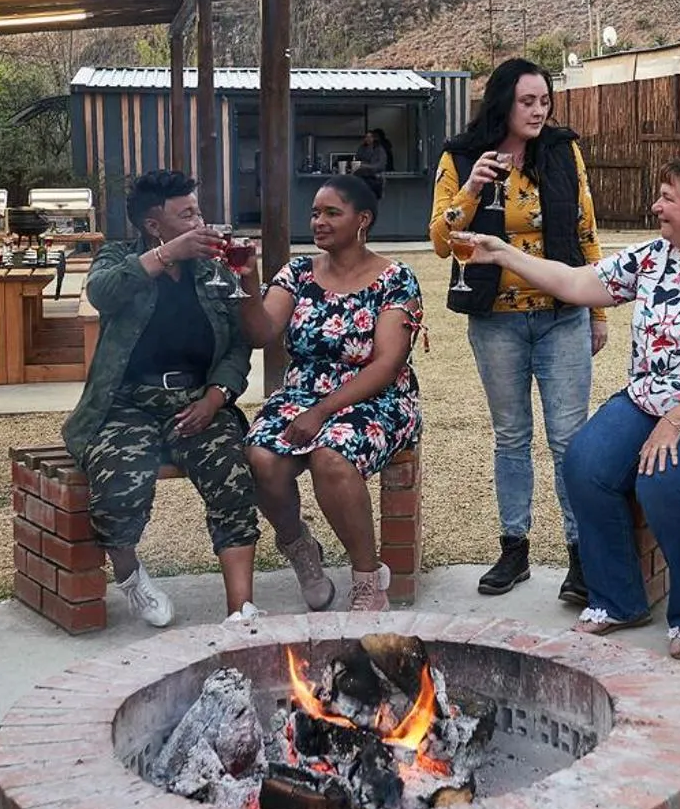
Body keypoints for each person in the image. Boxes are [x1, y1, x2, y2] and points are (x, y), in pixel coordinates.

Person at [458, 153, 680, 660]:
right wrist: (503, 254)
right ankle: (619, 599)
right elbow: (574, 283)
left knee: (665, 479)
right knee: (585, 464)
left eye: (667, 198)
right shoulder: (654, 257)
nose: (655, 206)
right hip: (653, 397)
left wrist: (675, 421)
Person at [430, 57, 607, 603]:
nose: (538, 110)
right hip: (496, 321)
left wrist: (598, 311)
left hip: (561, 315)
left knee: (568, 439)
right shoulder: (461, 157)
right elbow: (441, 240)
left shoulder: (561, 150)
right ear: (503, 103)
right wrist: (472, 191)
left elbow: (585, 227)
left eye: (544, 100)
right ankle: (515, 548)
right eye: (527, 101)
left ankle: (581, 557)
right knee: (511, 438)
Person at [64, 170, 261, 628]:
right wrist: (167, 255)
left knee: (232, 477)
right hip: (125, 404)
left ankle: (241, 608)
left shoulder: (213, 268)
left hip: (197, 400)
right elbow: (102, 293)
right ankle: (131, 576)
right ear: (155, 226)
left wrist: (217, 396)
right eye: (188, 213)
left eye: (198, 210)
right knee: (120, 487)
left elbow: (238, 343)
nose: (202, 221)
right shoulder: (117, 258)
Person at [236, 169, 422, 613]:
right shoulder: (299, 272)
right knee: (260, 458)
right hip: (301, 394)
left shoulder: (395, 279)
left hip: (376, 397)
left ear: (363, 219)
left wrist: (320, 413)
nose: (318, 221)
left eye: (331, 213)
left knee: (331, 456)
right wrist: (247, 281)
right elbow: (262, 331)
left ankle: (367, 577)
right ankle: (300, 546)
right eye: (315, 212)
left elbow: (386, 363)